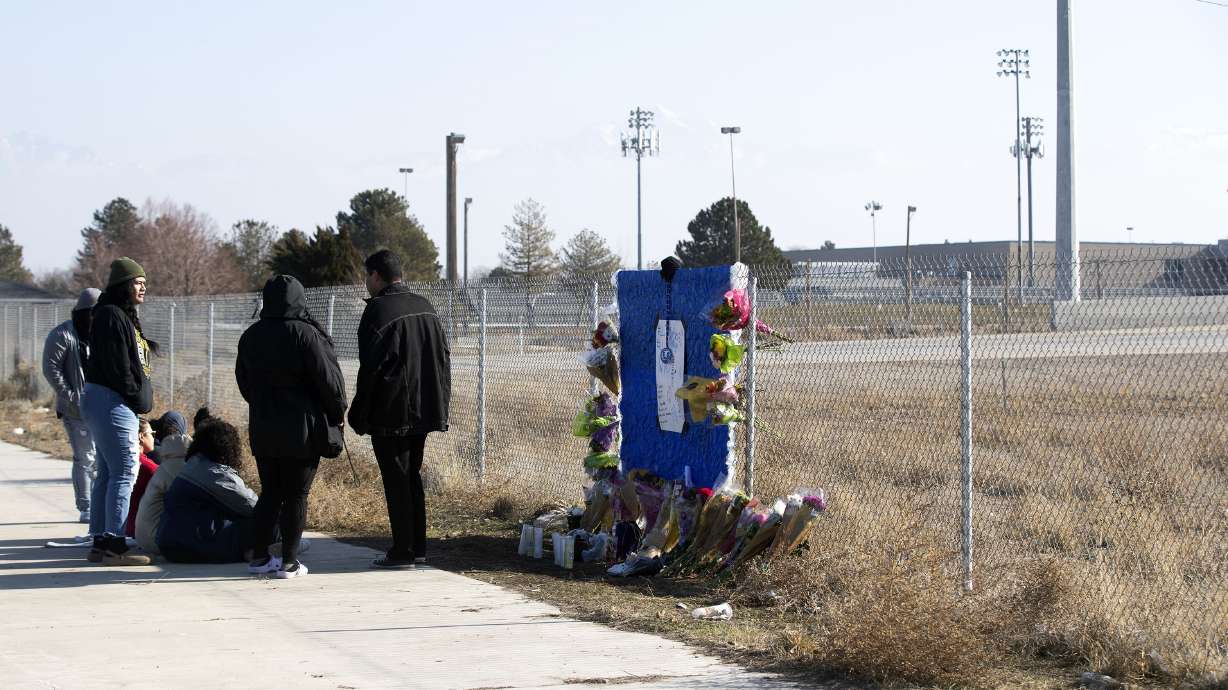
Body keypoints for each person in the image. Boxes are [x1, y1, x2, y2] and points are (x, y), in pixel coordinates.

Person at [236, 275, 346, 580]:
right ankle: (288, 561)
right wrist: (337, 413)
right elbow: (329, 382)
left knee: (270, 492)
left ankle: (259, 557)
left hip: (263, 427)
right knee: (297, 494)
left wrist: (261, 404)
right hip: (302, 428)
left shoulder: (251, 336)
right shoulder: (306, 334)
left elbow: (244, 382)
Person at [348, 250, 451, 569]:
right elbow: (444, 358)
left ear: (377, 275)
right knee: (412, 476)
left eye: (367, 276)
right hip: (424, 407)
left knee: (396, 479)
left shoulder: (378, 311)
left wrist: (358, 413)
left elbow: (371, 369)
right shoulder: (425, 306)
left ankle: (403, 550)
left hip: (391, 411)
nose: (366, 282)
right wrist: (441, 404)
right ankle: (417, 547)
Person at [82, 257, 154, 566]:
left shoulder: (116, 315)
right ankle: (114, 545)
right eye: (138, 283)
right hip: (112, 400)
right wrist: (138, 400)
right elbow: (119, 368)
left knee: (109, 472)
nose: (143, 288)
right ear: (124, 285)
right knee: (125, 471)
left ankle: (100, 542)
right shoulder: (111, 316)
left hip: (109, 400)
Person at [156, 416, 260, 564]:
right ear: (228, 447)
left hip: (169, 545)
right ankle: (269, 549)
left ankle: (249, 550)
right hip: (192, 545)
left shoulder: (192, 466)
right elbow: (252, 505)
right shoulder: (215, 473)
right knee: (268, 522)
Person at [42, 287, 101, 524]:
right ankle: (86, 506)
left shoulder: (98, 334)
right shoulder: (63, 334)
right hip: (75, 409)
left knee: (99, 459)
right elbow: (51, 369)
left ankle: (96, 503)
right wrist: (70, 395)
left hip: (100, 406)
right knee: (85, 457)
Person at [135, 411, 193, 555]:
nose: (153, 438)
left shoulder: (147, 460)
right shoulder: (155, 464)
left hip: (138, 532)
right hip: (154, 538)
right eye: (150, 434)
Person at [123, 419, 159, 538]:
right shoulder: (147, 467)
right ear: (141, 436)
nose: (154, 438)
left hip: (122, 527)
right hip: (139, 530)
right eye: (152, 434)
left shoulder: (121, 462)